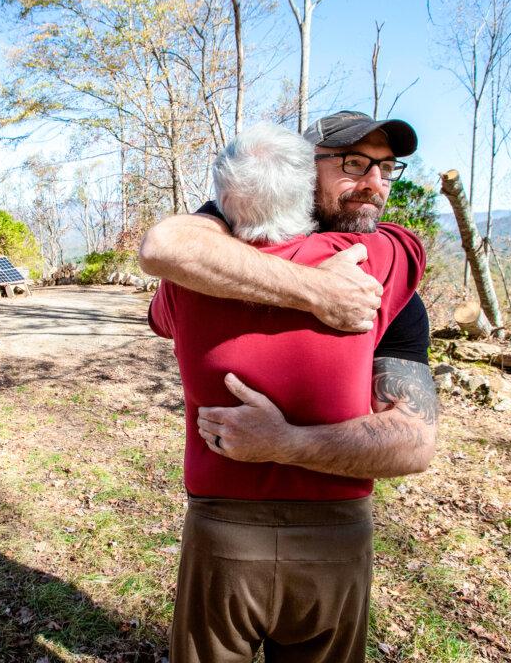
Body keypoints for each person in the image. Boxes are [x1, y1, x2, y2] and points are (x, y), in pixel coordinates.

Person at [145, 115, 438, 663]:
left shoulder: (186, 280)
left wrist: (285, 441)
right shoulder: (382, 262)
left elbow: (416, 443)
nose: (374, 182)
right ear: (304, 174)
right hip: (310, 535)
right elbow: (169, 245)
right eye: (352, 164)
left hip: (230, 532)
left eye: (387, 168)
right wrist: (316, 289)